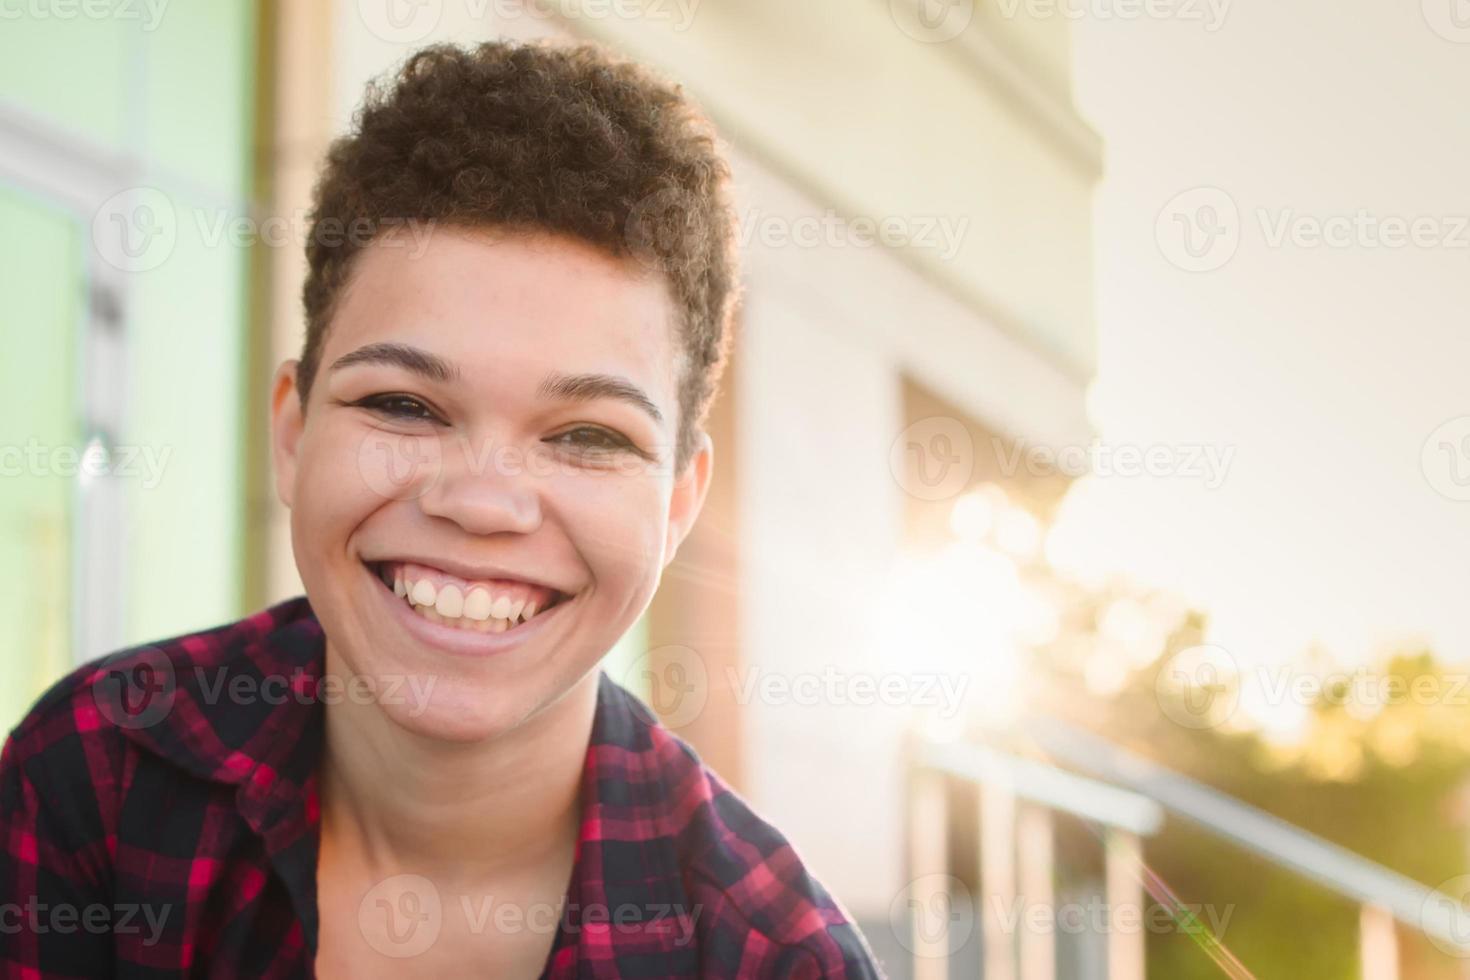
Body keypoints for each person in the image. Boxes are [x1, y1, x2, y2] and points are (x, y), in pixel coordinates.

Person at [0, 39, 885, 978]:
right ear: (294, 435)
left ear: (676, 505)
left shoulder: (775, 959)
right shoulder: (96, 776)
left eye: (588, 435)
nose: (482, 503)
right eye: (403, 406)